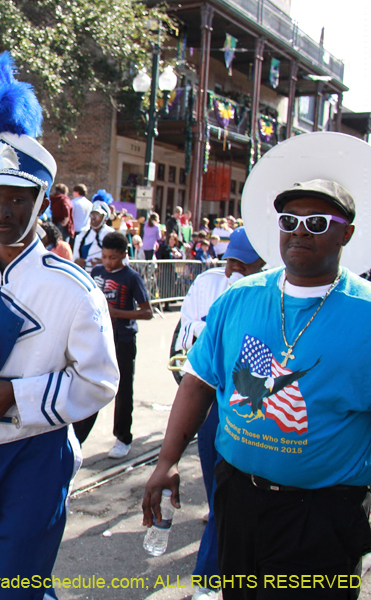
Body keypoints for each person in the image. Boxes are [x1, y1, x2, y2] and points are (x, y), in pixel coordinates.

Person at [143, 150, 371, 599]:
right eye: (289, 220)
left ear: (348, 233)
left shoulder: (365, 314)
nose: (300, 232)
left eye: (318, 223)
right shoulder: (239, 298)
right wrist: (166, 460)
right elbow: (199, 381)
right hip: (238, 498)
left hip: (323, 514)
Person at [0, 52, 118, 599]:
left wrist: (15, 394)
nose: (4, 212)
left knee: (17, 590)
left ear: (40, 202)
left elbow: (99, 382)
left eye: (18, 199)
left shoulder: (73, 288)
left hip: (34, 455)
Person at [172, 226, 265, 600]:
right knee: (220, 496)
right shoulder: (211, 283)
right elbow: (190, 331)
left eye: (242, 264)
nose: (232, 269)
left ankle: (215, 576)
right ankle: (214, 575)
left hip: (253, 403)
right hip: (214, 395)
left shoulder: (272, 289)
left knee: (233, 502)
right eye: (230, 261)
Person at [77, 232, 151, 454]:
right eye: (105, 256)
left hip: (124, 341)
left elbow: (147, 312)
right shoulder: (97, 271)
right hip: (100, 338)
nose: (108, 262)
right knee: (91, 385)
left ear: (124, 255)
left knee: (123, 390)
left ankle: (123, 438)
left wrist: (117, 312)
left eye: (114, 258)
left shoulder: (132, 277)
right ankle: (77, 438)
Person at [73, 194, 114, 272]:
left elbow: (121, 261)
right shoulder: (82, 236)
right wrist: (78, 261)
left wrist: (103, 263)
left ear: (105, 219)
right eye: (92, 214)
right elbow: (74, 259)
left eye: (97, 215)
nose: (93, 218)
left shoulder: (112, 236)